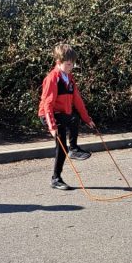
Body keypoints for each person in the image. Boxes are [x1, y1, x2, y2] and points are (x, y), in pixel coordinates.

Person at [38, 43, 95, 191]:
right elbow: (48, 103)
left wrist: (87, 119)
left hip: (63, 114)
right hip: (50, 115)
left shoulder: (69, 77)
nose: (71, 67)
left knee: (75, 118)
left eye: (72, 64)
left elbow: (77, 100)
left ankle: (74, 149)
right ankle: (56, 179)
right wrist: (52, 126)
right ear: (59, 62)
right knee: (61, 146)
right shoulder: (52, 78)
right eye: (68, 64)